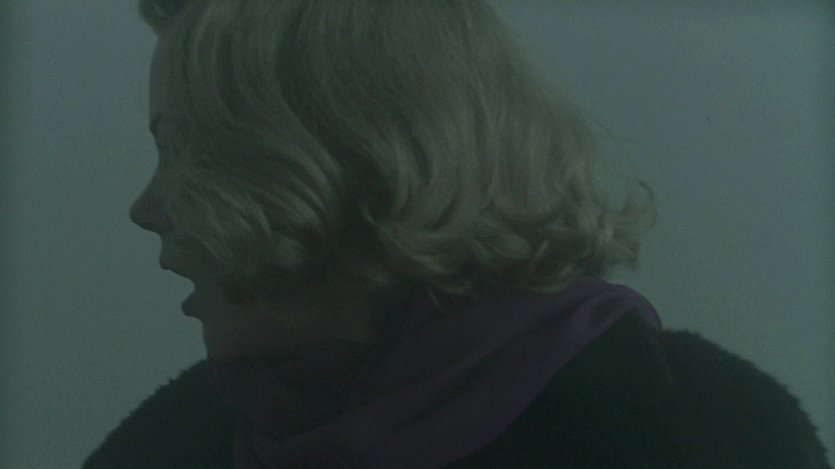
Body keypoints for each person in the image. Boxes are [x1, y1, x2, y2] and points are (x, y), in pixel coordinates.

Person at [84, 0, 831, 467]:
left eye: (183, 151)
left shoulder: (697, 435)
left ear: (355, 162)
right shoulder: (172, 446)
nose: (148, 208)